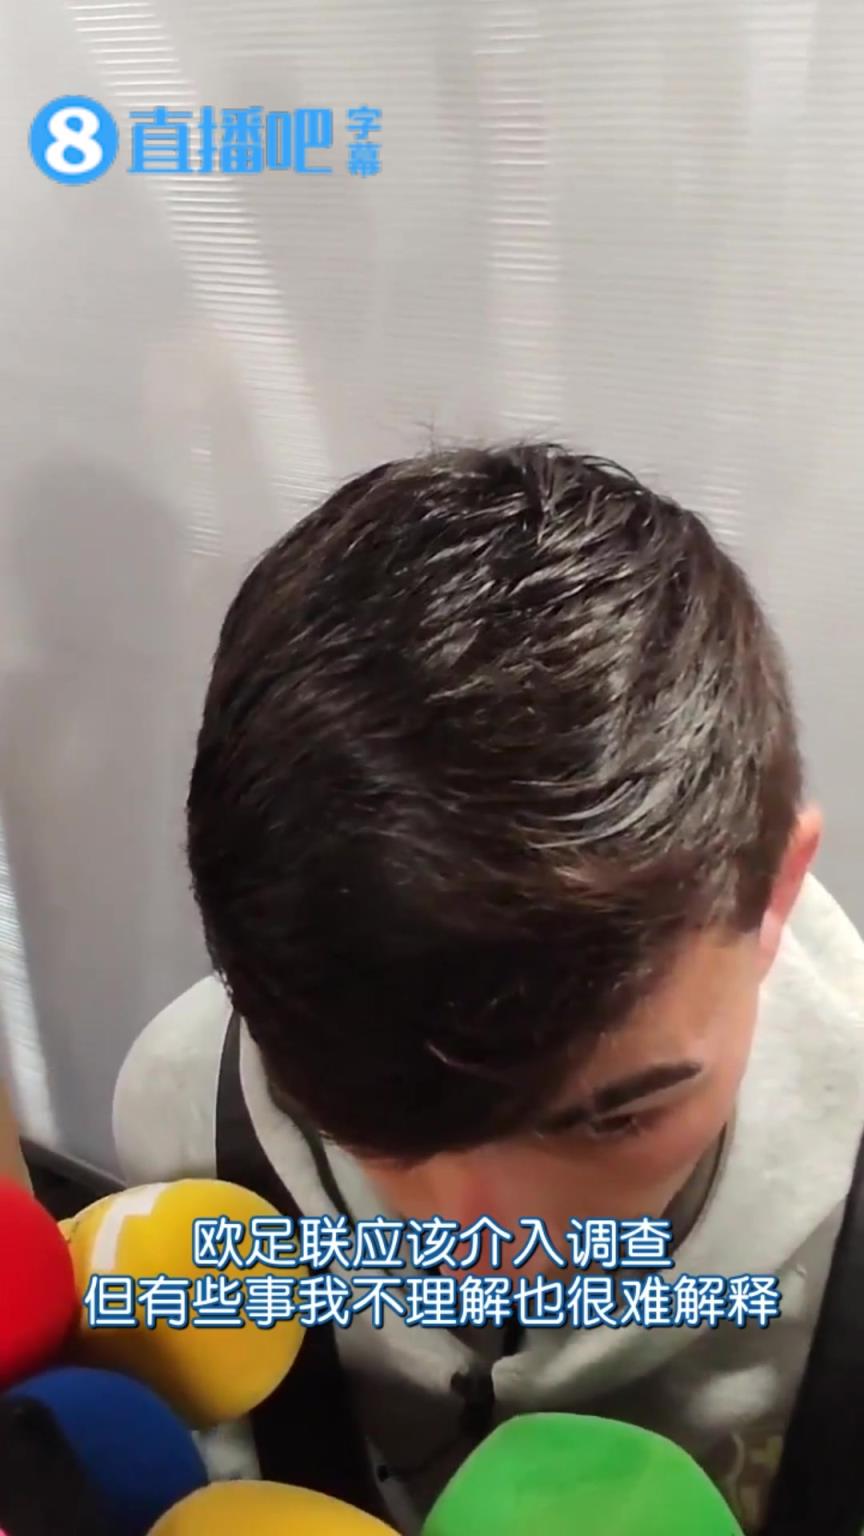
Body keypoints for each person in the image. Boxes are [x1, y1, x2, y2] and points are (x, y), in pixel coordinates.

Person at [113, 443, 864, 1534]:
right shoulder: (195, 1124)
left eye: (614, 1116)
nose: (485, 1246)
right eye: (372, 1123)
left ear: (775, 895)